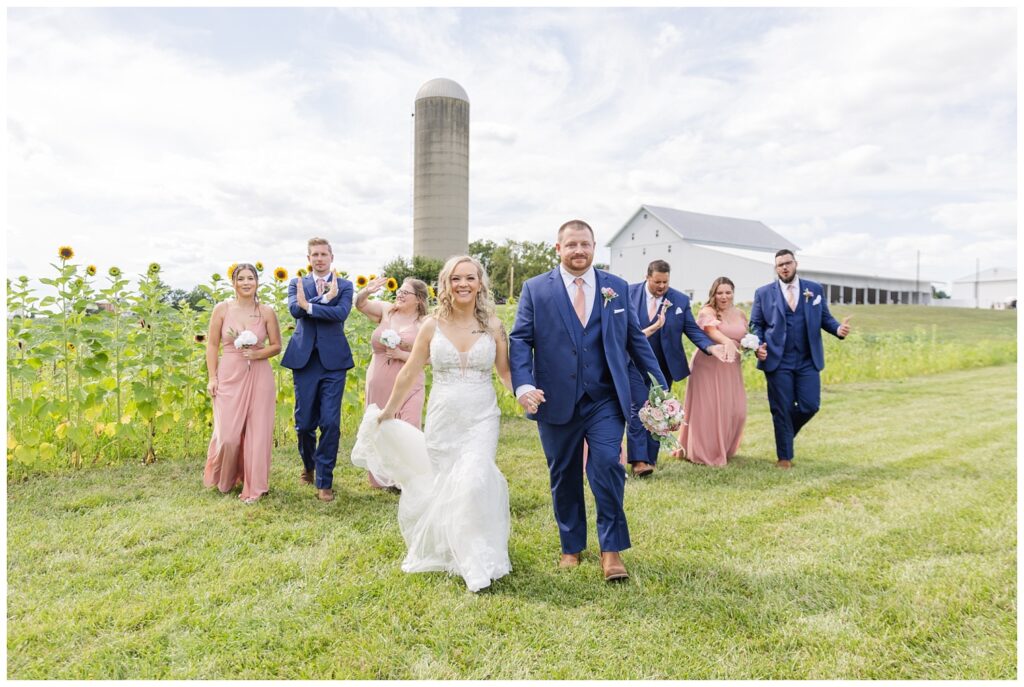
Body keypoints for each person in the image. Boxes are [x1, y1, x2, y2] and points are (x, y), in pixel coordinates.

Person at [509, 219, 666, 583]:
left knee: (608, 465)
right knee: (563, 473)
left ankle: (611, 551)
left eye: (585, 244)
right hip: (554, 399)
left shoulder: (617, 287)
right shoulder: (536, 289)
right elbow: (520, 340)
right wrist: (522, 386)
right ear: (558, 248)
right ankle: (571, 546)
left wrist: (659, 383)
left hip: (605, 398)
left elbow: (634, 339)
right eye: (571, 245)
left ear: (594, 247)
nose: (579, 251)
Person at [351, 256, 513, 592]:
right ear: (446, 284)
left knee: (472, 480)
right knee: (448, 483)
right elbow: (410, 371)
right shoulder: (432, 325)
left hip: (482, 417)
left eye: (470, 278)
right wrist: (388, 411)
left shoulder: (493, 326)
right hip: (443, 417)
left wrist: (525, 395)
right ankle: (456, 547)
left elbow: (505, 372)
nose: (463, 284)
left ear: (480, 283)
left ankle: (473, 563)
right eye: (456, 279)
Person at [625, 260, 728, 477]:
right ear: (647, 277)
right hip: (634, 362)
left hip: (664, 366)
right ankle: (638, 461)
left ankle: (649, 460)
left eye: (665, 282)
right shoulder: (628, 293)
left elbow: (692, 329)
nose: (662, 286)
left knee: (659, 409)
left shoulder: (680, 300)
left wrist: (711, 347)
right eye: (657, 282)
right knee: (637, 408)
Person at [750, 250, 851, 469]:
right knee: (781, 408)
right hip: (778, 360)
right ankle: (784, 457)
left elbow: (825, 318)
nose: (784, 268)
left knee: (810, 405)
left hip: (807, 359)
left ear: (795, 264)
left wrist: (838, 330)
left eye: (787, 263)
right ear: (776, 268)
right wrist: (758, 345)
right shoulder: (763, 293)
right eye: (779, 265)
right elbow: (756, 325)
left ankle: (785, 437)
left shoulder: (814, 289)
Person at [280, 237, 354, 501]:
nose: (319, 258)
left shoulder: (344, 285)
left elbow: (341, 313)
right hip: (305, 361)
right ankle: (309, 466)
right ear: (308, 259)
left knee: (331, 423)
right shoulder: (296, 283)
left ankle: (324, 480)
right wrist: (325, 299)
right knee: (304, 424)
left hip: (334, 362)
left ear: (331, 257)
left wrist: (310, 304)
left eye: (324, 254)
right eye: (314, 254)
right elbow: (294, 311)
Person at [203, 263, 282, 503]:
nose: (246, 283)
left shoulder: (266, 312)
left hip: (259, 376)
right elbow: (212, 345)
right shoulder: (222, 309)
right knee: (228, 435)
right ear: (233, 283)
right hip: (229, 374)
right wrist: (212, 377)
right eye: (241, 279)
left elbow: (277, 346)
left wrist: (258, 354)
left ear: (257, 282)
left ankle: (255, 487)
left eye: (251, 278)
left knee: (258, 433)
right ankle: (226, 478)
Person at [352, 276, 429, 488]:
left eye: (406, 293)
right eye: (399, 291)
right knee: (382, 427)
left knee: (409, 424)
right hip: (379, 378)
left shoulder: (425, 324)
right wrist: (367, 291)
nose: (400, 295)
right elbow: (360, 304)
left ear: (419, 300)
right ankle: (383, 478)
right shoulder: (387, 310)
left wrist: (401, 354)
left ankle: (408, 478)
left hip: (410, 381)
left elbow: (431, 358)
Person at [674, 277, 746, 467]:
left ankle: (724, 447)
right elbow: (711, 331)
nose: (724, 296)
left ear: (733, 293)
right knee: (710, 409)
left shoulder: (740, 314)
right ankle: (704, 452)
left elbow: (745, 339)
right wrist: (727, 342)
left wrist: (754, 347)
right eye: (719, 292)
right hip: (709, 365)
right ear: (713, 294)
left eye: (728, 292)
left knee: (736, 410)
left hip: (731, 367)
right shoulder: (707, 311)